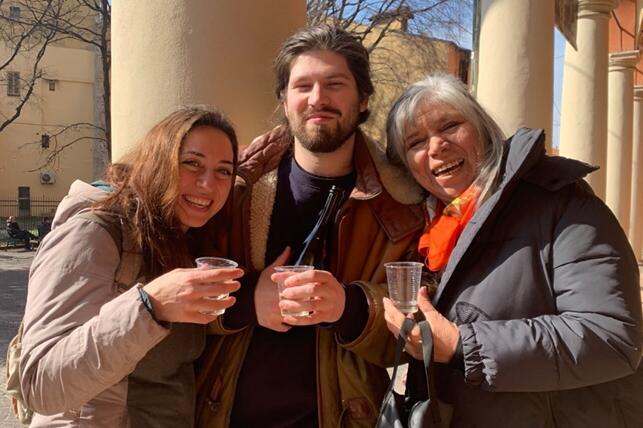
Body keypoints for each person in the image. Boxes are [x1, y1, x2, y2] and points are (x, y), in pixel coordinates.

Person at [195, 25, 425, 428]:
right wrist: (248, 299)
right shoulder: (233, 190)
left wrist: (350, 308)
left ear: (364, 98)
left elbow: (417, 332)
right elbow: (176, 299)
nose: (318, 99)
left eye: (335, 84)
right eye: (303, 86)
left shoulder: (402, 207)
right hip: (221, 413)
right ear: (285, 101)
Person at [382, 73, 643, 427]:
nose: (436, 146)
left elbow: (610, 337)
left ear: (483, 129)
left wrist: (461, 345)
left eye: (450, 125)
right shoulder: (428, 233)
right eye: (416, 142)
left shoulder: (562, 202)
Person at [20, 107, 244, 428]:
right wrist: (148, 308)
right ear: (158, 160)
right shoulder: (93, 233)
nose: (208, 184)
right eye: (191, 163)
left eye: (224, 170)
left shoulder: (181, 238)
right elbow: (40, 386)